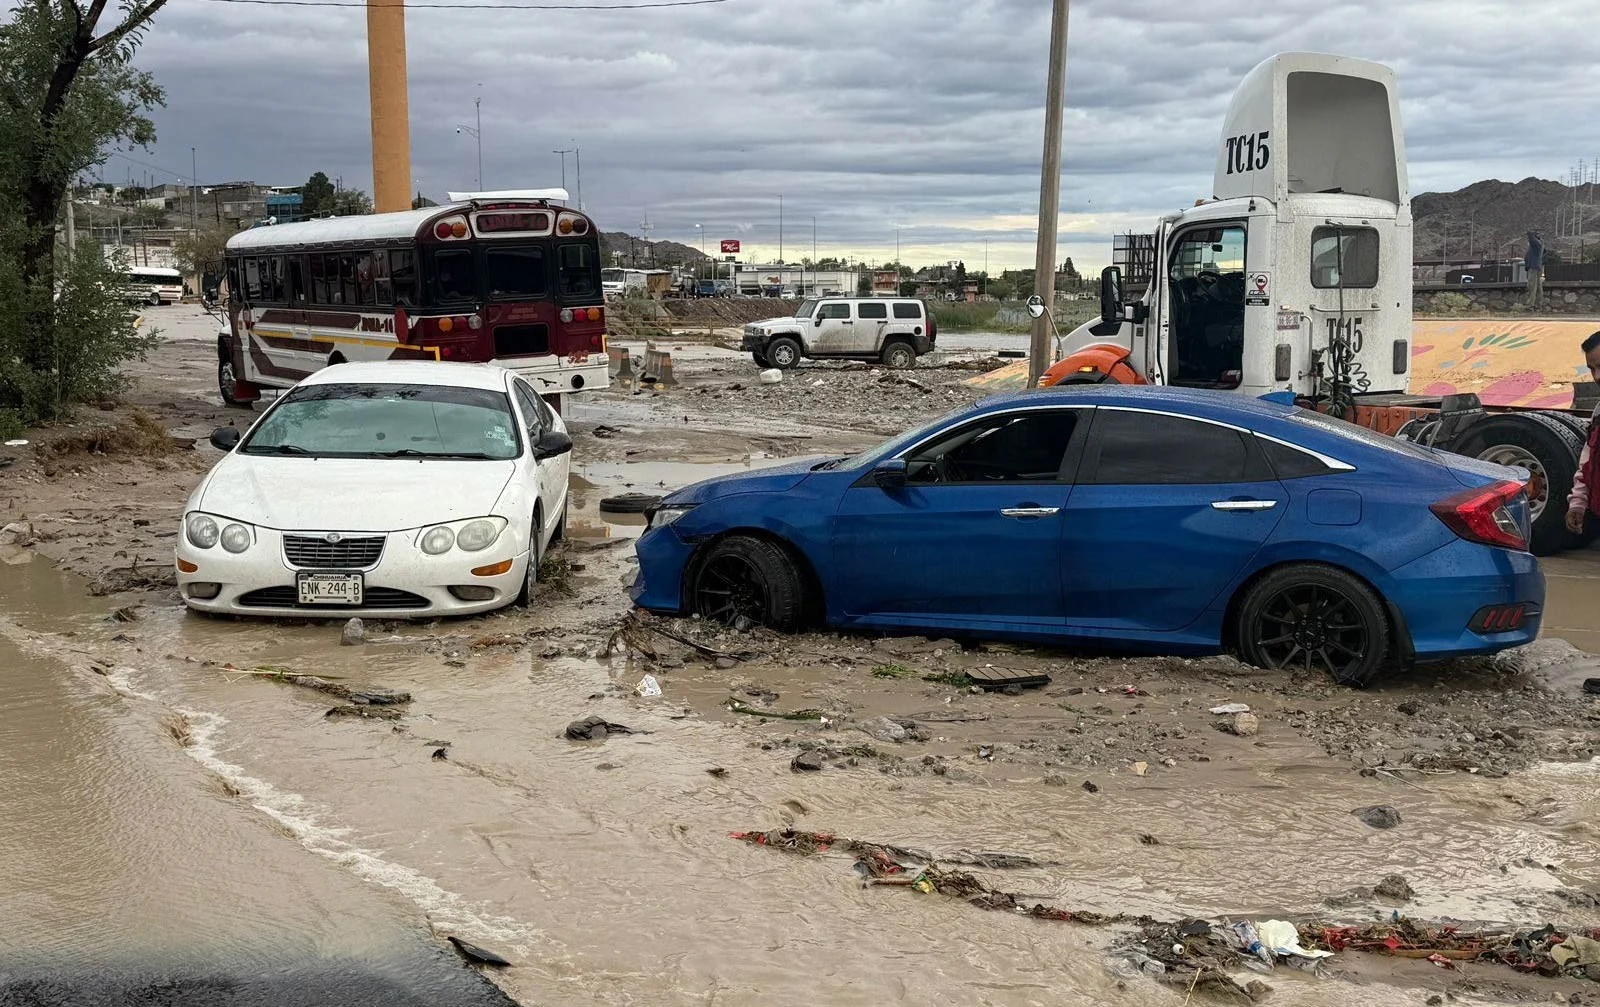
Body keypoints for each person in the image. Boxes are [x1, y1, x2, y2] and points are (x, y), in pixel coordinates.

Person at [1564, 330, 1600, 536]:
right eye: (1592, 369)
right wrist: (1577, 504)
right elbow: (1588, 463)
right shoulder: (1599, 412)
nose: (1597, 376)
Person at [1525, 231, 1546, 306]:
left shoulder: (1536, 244)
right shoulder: (1540, 244)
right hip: (1537, 267)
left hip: (1533, 267)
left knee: (1532, 286)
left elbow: (1531, 238)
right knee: (1538, 287)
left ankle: (1530, 304)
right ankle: (1538, 304)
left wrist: (1530, 233)